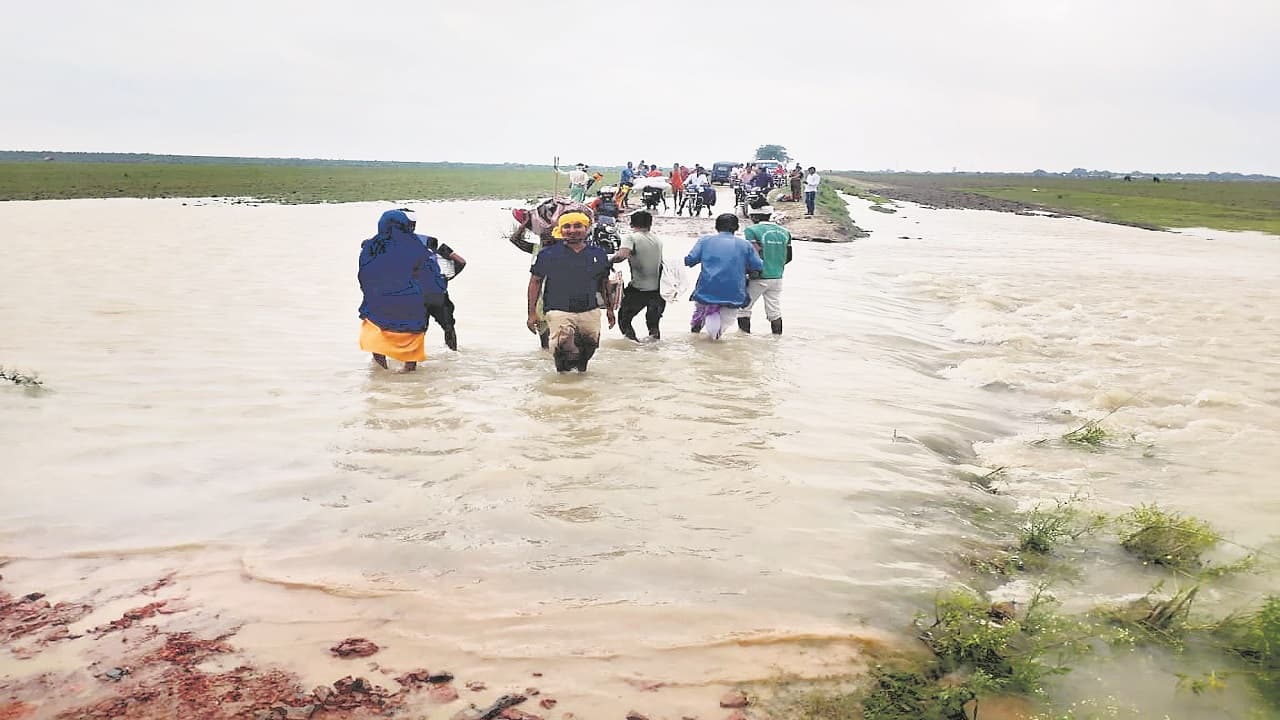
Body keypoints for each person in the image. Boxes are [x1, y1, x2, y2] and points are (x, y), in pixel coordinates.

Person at [527, 213, 617, 372]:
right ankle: (562, 382)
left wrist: (610, 310)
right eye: (567, 227)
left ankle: (582, 377)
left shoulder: (598, 254)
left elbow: (603, 283)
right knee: (562, 349)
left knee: (589, 348)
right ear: (560, 231)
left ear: (586, 228)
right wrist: (531, 314)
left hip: (590, 309)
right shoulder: (547, 254)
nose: (572, 230)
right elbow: (535, 282)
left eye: (577, 226)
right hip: (558, 310)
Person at [358, 209, 430, 371]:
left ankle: (380, 371)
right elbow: (428, 277)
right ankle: (410, 375)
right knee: (411, 348)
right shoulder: (416, 247)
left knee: (376, 338)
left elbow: (365, 275)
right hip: (411, 307)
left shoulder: (371, 247)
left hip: (378, 305)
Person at [684, 214, 763, 340]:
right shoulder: (745, 245)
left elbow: (690, 261)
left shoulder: (705, 241)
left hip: (706, 291)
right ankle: (714, 342)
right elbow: (758, 266)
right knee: (719, 332)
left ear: (716, 226)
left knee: (698, 322)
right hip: (734, 294)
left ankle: (696, 339)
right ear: (737, 227)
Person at [610, 210, 665, 342]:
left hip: (639, 290)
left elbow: (622, 255)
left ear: (631, 224)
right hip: (659, 292)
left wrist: (607, 262)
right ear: (650, 225)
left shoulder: (631, 237)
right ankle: (653, 351)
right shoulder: (657, 239)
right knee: (653, 326)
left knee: (624, 319)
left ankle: (632, 347)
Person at [737, 205, 792, 335]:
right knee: (774, 311)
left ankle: (744, 339)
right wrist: (775, 266)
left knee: (744, 309)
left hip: (759, 277)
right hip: (777, 277)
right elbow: (789, 257)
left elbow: (752, 255)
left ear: (754, 216)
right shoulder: (785, 232)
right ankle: (776, 339)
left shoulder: (751, 230)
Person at [419, 234, 467, 350]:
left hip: (420, 298)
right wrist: (449, 277)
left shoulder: (415, 257)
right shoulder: (441, 256)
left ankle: (414, 357)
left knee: (419, 331)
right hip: (440, 297)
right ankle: (453, 352)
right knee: (448, 327)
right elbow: (462, 262)